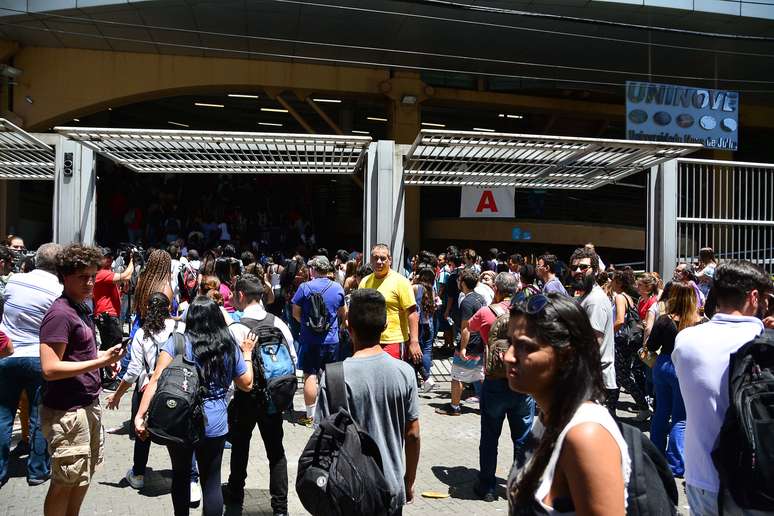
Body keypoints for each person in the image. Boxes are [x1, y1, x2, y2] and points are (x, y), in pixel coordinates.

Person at [506, 293, 630, 515]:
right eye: (510, 343)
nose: (508, 356)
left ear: (565, 356)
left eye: (525, 347)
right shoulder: (549, 417)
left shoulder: (586, 436)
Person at [134, 296, 255, 516]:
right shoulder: (228, 345)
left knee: (180, 476)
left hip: (180, 419)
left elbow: (156, 379)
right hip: (215, 422)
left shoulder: (177, 342)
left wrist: (140, 415)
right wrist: (247, 354)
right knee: (211, 480)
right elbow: (246, 384)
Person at [672, 261, 772, 515]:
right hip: (758, 484)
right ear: (754, 297)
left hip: (701, 477)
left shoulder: (685, 341)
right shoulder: (765, 344)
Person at [38, 244, 127, 516]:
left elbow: (80, 355)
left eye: (92, 276)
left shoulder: (81, 308)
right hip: (67, 412)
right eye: (82, 277)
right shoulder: (60, 313)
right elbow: (50, 368)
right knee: (65, 481)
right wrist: (99, 362)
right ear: (65, 277)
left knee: (83, 474)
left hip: (87, 406)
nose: (89, 282)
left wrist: (106, 357)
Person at [314, 289, 421, 515]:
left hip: (347, 491)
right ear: (385, 326)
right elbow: (412, 434)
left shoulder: (333, 377)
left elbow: (321, 438)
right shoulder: (405, 373)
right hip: (391, 488)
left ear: (348, 326)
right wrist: (408, 480)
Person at [224, 274, 295, 515]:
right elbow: (292, 359)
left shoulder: (236, 329)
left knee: (240, 446)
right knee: (276, 452)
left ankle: (235, 494)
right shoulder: (279, 323)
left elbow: (231, 370)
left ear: (241, 295)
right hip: (273, 397)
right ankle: (280, 507)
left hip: (246, 397)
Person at [105, 292, 185, 490]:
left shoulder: (142, 333)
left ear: (146, 309)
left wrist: (117, 395)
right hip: (179, 387)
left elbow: (133, 371)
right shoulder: (181, 328)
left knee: (142, 431)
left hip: (149, 387)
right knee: (181, 432)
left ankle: (139, 474)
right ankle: (187, 477)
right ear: (169, 308)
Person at [0, 243, 62, 488]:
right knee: (39, 415)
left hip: (7, 355)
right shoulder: (58, 290)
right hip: (39, 357)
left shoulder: (14, 281)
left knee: (3, 414)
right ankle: (37, 470)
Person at [469, 272, 535, 502]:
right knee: (523, 437)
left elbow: (470, 326)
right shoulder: (526, 313)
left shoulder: (486, 312)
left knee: (489, 436)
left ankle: (487, 486)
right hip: (522, 382)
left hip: (495, 382)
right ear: (516, 289)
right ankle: (520, 486)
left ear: (496, 289)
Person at [648, 282, 700, 478]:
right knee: (680, 417)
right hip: (684, 368)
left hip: (662, 365)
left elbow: (651, 346)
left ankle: (655, 457)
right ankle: (676, 464)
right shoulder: (698, 323)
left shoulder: (664, 320)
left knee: (661, 411)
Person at [292, 255, 346, 427]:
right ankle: (331, 412)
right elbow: (343, 313)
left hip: (310, 339)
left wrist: (307, 325)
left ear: (313, 270)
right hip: (332, 339)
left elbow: (295, 313)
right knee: (331, 376)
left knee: (310, 374)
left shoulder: (304, 287)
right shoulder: (337, 287)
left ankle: (310, 416)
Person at [569, 248, 617, 417]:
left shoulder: (595, 300)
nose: (577, 271)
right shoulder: (585, 297)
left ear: (595, 271)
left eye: (583, 267)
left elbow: (592, 344)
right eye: (574, 268)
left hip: (594, 382)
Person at [436, 269, 487, 416]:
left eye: (459, 280)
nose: (458, 282)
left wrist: (463, 348)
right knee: (480, 376)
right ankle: (484, 407)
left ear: (463, 283)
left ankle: (454, 407)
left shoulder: (467, 302)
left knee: (457, 376)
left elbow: (466, 328)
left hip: (469, 344)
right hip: (479, 344)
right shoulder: (480, 298)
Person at [359, 244, 421, 364]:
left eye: (383, 258)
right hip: (369, 341)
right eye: (375, 258)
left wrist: (414, 342)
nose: (379, 262)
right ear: (371, 260)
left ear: (390, 260)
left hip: (394, 341)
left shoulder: (401, 282)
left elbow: (412, 313)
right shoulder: (364, 282)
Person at [611, 269, 649, 419]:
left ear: (619, 283)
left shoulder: (620, 297)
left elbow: (620, 320)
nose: (611, 283)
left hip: (621, 342)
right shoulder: (628, 296)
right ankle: (611, 409)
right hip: (626, 342)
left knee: (623, 377)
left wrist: (608, 334)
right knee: (617, 376)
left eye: (613, 280)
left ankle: (644, 407)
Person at [93, 247, 134, 349]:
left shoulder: (108, 272)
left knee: (110, 345)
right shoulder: (101, 273)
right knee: (114, 346)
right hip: (106, 314)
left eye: (111, 256)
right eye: (106, 257)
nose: (110, 259)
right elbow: (126, 276)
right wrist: (132, 261)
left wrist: (122, 291)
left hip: (109, 314)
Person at [412, 266, 437, 393]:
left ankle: (417, 379)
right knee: (426, 352)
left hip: (418, 325)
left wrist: (413, 280)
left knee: (415, 353)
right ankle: (426, 379)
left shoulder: (415, 288)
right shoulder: (432, 290)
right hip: (428, 325)